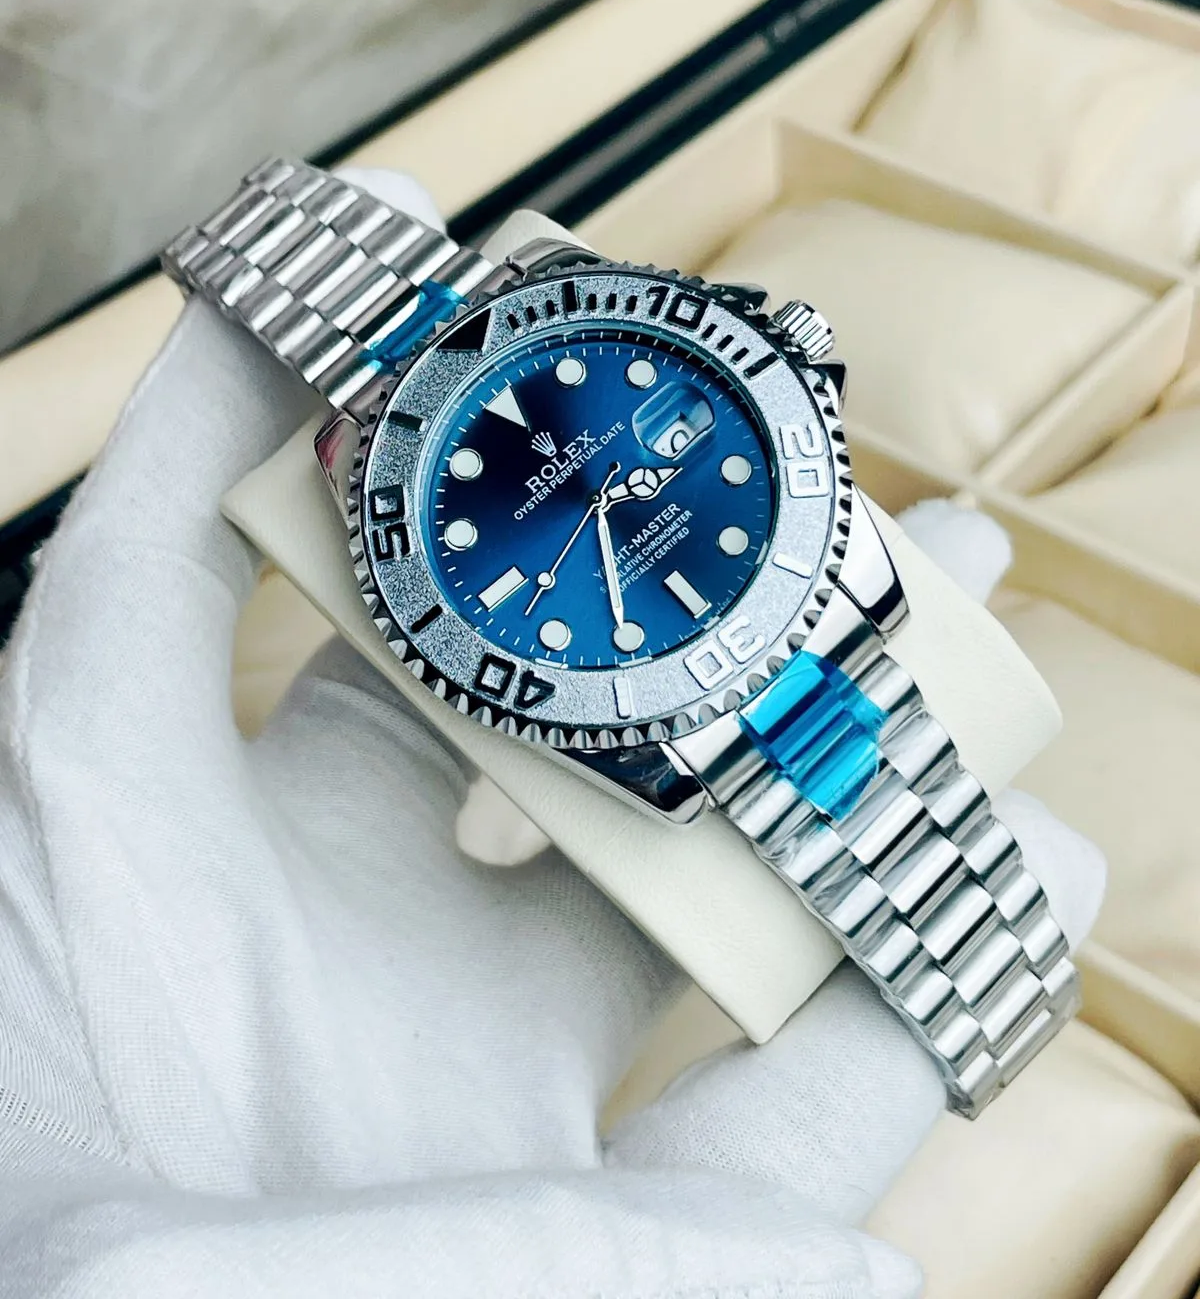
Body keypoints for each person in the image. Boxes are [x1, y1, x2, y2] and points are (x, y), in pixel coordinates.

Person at [0, 171, 1103, 1297]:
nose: (601, 502)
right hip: (674, 698)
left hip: (797, 619)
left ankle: (985, 975)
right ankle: (985, 990)